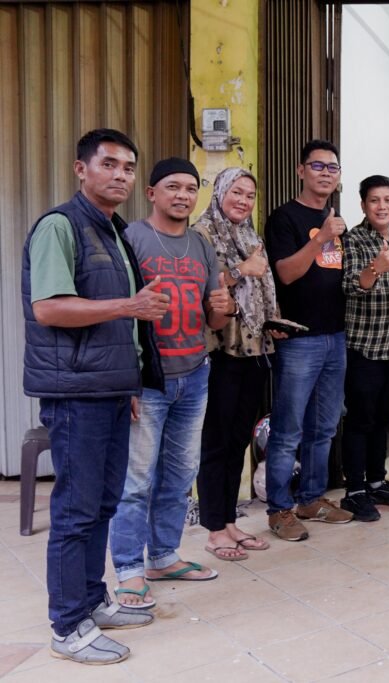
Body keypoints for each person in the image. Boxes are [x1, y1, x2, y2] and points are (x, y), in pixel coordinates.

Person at [23, 128, 165, 664]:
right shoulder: (60, 226)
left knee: (103, 503)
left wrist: (128, 383)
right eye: (109, 164)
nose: (120, 175)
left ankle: (91, 601)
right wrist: (129, 307)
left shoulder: (113, 231)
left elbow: (119, 326)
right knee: (76, 511)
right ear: (81, 169)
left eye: (128, 167)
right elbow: (49, 308)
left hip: (109, 389)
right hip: (75, 392)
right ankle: (67, 626)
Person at [109, 158, 234, 604]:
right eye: (173, 187)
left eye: (190, 188)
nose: (183, 195)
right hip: (148, 380)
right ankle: (128, 569)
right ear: (151, 193)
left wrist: (223, 308)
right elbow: (117, 315)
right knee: (136, 481)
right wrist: (125, 380)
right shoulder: (131, 239)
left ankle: (163, 556)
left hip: (194, 374)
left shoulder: (201, 245)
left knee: (180, 475)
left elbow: (213, 318)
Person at [263, 140, 354, 541]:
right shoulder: (284, 218)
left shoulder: (337, 220)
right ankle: (279, 509)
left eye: (332, 167)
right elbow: (285, 273)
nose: (325, 173)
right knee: (288, 431)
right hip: (299, 339)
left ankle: (311, 499)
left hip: (335, 336)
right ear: (301, 171)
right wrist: (320, 238)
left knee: (324, 428)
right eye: (317, 166)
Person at [195, 167, 282, 557]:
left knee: (237, 441)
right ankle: (214, 529)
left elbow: (263, 288)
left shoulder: (251, 236)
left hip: (254, 350)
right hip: (220, 351)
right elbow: (201, 288)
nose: (243, 201)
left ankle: (229, 521)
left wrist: (274, 323)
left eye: (249, 195)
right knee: (216, 441)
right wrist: (240, 270)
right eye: (236, 192)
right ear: (219, 193)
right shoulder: (201, 235)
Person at [340, 175, 389, 521]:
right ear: (363, 205)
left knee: (384, 419)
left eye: (387, 200)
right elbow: (352, 286)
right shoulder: (354, 239)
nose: (382, 206)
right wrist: (376, 267)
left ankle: (376, 481)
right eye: (374, 200)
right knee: (360, 420)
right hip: (364, 348)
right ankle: (354, 490)